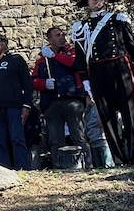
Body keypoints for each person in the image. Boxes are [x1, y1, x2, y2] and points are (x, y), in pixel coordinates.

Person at [71, 0, 134, 165]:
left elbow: (132, 47)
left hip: (120, 67)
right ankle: (118, 158)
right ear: (87, 2)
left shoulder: (118, 20)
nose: (95, 0)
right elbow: (80, 57)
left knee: (129, 113)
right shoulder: (81, 27)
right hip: (97, 72)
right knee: (106, 118)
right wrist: (85, 80)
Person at [33, 26, 92, 168]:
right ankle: (58, 166)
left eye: (62, 34)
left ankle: (87, 165)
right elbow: (33, 81)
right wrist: (44, 84)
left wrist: (54, 56)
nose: (61, 37)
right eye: (57, 35)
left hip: (72, 99)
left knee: (78, 135)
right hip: (51, 103)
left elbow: (75, 64)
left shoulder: (71, 52)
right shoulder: (42, 60)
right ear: (49, 39)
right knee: (55, 139)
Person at [0, 34, 34, 170]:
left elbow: (27, 83)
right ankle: (4, 170)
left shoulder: (16, 60)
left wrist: (27, 105)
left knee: (17, 138)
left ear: (5, 43)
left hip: (14, 106)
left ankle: (22, 168)